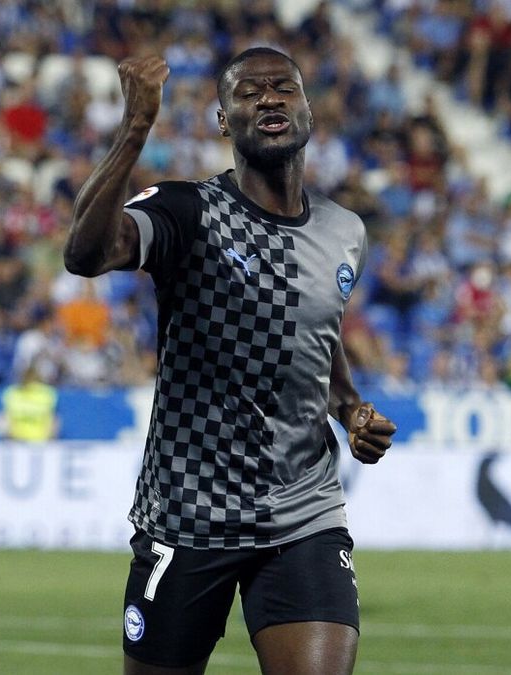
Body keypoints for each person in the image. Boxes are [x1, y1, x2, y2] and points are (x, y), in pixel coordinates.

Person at [64, 49, 398, 674]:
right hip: (191, 514)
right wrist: (135, 129)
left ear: (306, 112)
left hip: (303, 513)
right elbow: (87, 254)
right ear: (223, 121)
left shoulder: (343, 229)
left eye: (283, 88)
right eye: (249, 93)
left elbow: (316, 338)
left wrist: (351, 410)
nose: (269, 99)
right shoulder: (187, 211)